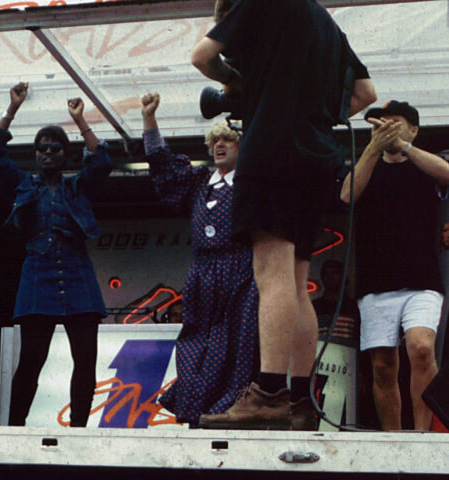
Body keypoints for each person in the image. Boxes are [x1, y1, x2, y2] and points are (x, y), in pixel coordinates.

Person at [191, 0, 377, 429]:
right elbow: (367, 94)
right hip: (317, 156)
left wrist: (236, 82)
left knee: (270, 273)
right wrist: (316, 116)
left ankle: (268, 393)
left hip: (271, 148)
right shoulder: (325, 24)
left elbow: (202, 57)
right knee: (296, 280)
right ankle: (300, 400)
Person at [0, 82, 112, 428]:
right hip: (37, 276)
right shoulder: (23, 185)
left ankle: (80, 431)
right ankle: (14, 428)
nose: (49, 152)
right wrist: (12, 109)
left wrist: (81, 120)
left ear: (65, 155)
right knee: (31, 360)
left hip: (79, 277)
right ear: (36, 154)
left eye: (56, 148)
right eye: (42, 148)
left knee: (85, 360)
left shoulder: (78, 186)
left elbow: (102, 161)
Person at [141, 92, 259, 425]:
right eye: (215, 140)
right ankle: (195, 412)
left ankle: (231, 411)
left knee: (237, 342)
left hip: (242, 270)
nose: (220, 145)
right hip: (203, 273)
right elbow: (162, 164)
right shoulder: (198, 182)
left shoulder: (251, 182)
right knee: (196, 342)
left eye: (228, 140)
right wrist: (149, 119)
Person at [339, 100, 448, 431]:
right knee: (383, 365)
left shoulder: (425, 166)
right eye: (381, 123)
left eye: (395, 122)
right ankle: (393, 438)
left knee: (421, 349)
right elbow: (347, 195)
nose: (386, 127)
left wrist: (405, 147)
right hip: (375, 283)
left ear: (413, 129)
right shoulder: (369, 165)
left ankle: (421, 433)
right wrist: (373, 146)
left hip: (422, 281)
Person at [311, 259, 359, 342]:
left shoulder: (353, 307)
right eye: (326, 273)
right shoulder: (313, 307)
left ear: (342, 276)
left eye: (334, 273)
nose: (330, 276)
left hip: (347, 353)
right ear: (321, 276)